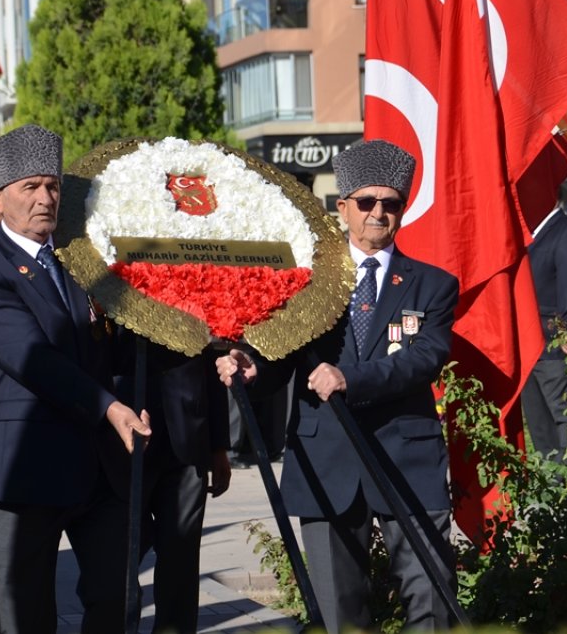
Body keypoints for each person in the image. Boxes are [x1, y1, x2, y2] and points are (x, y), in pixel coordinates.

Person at [217, 139, 460, 632]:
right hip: (325, 462)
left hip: (406, 462)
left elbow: (425, 358)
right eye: (366, 202)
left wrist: (350, 377)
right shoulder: (307, 281)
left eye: (390, 203)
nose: (378, 213)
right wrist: (252, 368)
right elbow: (278, 353)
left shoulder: (432, 285)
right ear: (342, 206)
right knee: (338, 617)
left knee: (431, 603)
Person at [0, 123, 150, 633]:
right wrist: (109, 406)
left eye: (53, 186)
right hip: (20, 475)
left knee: (119, 602)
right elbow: (34, 360)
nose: (46, 198)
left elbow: (123, 344)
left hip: (100, 470)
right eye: (31, 188)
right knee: (21, 620)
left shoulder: (80, 266)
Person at [116, 340, 231, 633]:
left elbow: (212, 359)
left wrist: (218, 446)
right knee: (120, 554)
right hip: (127, 436)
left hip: (187, 435)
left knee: (181, 558)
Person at [522, 202, 567, 463]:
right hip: (528, 346)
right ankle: (554, 488)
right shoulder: (526, 234)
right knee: (539, 425)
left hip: (556, 348)